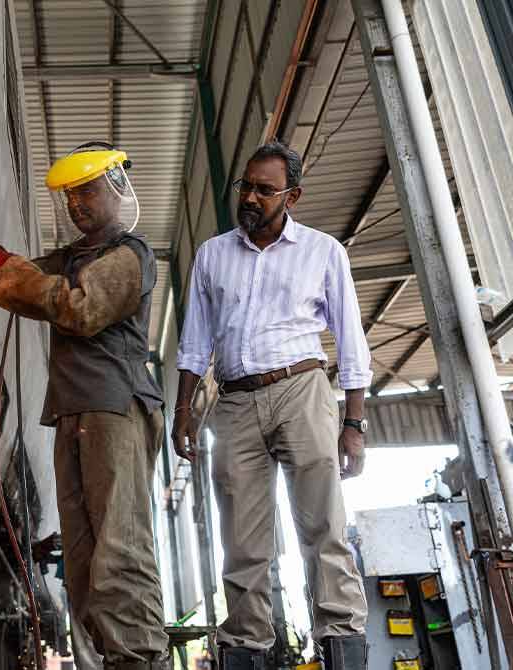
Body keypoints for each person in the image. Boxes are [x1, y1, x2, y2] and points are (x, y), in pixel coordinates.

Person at [0, 142, 170, 670]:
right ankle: (108, 658)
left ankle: (141, 659)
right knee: (81, 561)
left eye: (88, 191)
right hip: (74, 413)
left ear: (117, 189)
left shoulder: (131, 255)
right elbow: (32, 279)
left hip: (115, 410)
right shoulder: (71, 260)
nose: (78, 204)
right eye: (72, 195)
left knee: (119, 551)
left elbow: (79, 306)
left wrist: (3, 274)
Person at [172, 141, 370, 670]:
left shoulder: (324, 251)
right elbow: (194, 343)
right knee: (242, 544)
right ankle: (248, 650)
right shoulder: (213, 255)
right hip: (234, 403)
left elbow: (352, 343)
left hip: (301, 391)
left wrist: (354, 423)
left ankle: (343, 644)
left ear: (292, 195)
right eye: (246, 186)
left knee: (322, 529)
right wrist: (182, 411)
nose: (251, 197)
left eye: (265, 189)